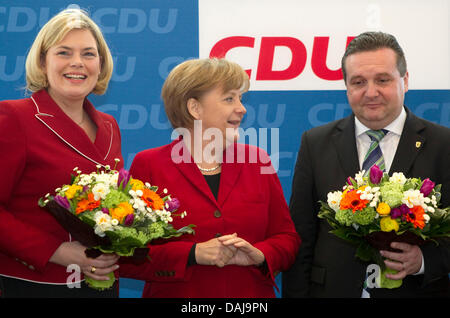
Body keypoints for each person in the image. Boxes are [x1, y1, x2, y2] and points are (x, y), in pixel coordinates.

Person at [282, 31, 450, 298]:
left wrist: (424, 260)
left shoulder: (444, 144)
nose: (371, 92)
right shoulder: (315, 143)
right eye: (359, 82)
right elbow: (301, 236)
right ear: (346, 86)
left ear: (404, 81)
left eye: (382, 80)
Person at [120, 58, 301, 297]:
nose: (242, 108)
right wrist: (193, 254)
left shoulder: (258, 160)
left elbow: (287, 238)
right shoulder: (150, 164)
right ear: (194, 108)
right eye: (229, 98)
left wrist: (260, 255)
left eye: (240, 98)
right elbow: (127, 252)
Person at [0, 8, 123, 297]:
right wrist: (57, 251)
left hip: (103, 286)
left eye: (88, 54)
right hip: (35, 285)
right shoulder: (13, 117)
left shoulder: (110, 125)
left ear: (101, 64)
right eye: (64, 53)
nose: (77, 63)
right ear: (43, 62)